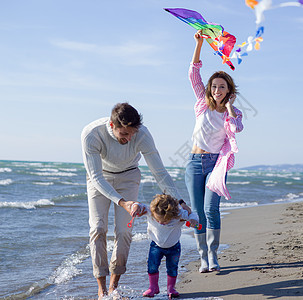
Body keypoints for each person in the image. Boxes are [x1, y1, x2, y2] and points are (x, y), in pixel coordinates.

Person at [81, 102, 183, 299]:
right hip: (99, 178)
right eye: (124, 135)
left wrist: (178, 200)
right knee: (97, 228)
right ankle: (101, 289)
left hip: (128, 176)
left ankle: (114, 287)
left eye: (132, 134)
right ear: (112, 126)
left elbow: (159, 172)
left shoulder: (142, 134)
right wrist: (122, 202)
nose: (128, 139)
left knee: (124, 231)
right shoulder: (91, 134)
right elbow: (96, 177)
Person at [185, 30, 244, 273]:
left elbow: (237, 128)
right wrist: (199, 44)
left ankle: (213, 253)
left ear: (229, 90)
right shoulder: (201, 103)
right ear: (209, 89)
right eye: (214, 86)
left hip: (215, 165)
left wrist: (230, 108)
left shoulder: (233, 113)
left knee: (211, 209)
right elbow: (193, 73)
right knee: (198, 212)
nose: (217, 90)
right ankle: (202, 257)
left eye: (222, 87)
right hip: (194, 163)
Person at [135, 193, 199, 298]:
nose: (161, 222)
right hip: (156, 246)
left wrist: (193, 220)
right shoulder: (150, 211)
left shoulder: (179, 214)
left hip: (174, 247)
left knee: (172, 267)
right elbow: (139, 205)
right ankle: (153, 287)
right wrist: (135, 207)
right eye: (158, 220)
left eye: (165, 221)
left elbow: (193, 214)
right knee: (152, 266)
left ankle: (171, 288)